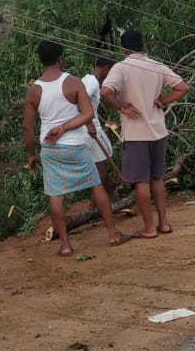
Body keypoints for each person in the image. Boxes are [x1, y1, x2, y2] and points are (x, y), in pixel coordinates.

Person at [23, 40, 131, 256]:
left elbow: (27, 127)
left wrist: (31, 155)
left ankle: (65, 245)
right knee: (95, 186)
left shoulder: (35, 90)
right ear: (60, 58)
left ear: (39, 60)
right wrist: (64, 128)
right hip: (75, 145)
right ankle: (112, 235)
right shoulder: (73, 83)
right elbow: (88, 114)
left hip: (50, 148)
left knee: (55, 195)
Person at [101, 29, 189, 239]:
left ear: (124, 49)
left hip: (136, 134)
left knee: (141, 182)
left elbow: (105, 91)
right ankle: (164, 223)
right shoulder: (157, 66)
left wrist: (122, 107)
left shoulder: (121, 68)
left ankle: (149, 228)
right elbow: (182, 88)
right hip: (158, 131)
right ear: (144, 46)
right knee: (157, 178)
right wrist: (163, 100)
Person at [81, 55, 116, 193]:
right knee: (100, 171)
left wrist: (103, 120)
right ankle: (99, 204)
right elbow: (80, 102)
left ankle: (111, 198)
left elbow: (88, 107)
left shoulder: (86, 79)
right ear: (106, 68)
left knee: (99, 167)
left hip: (89, 128)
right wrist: (89, 124)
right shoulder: (93, 83)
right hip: (90, 131)